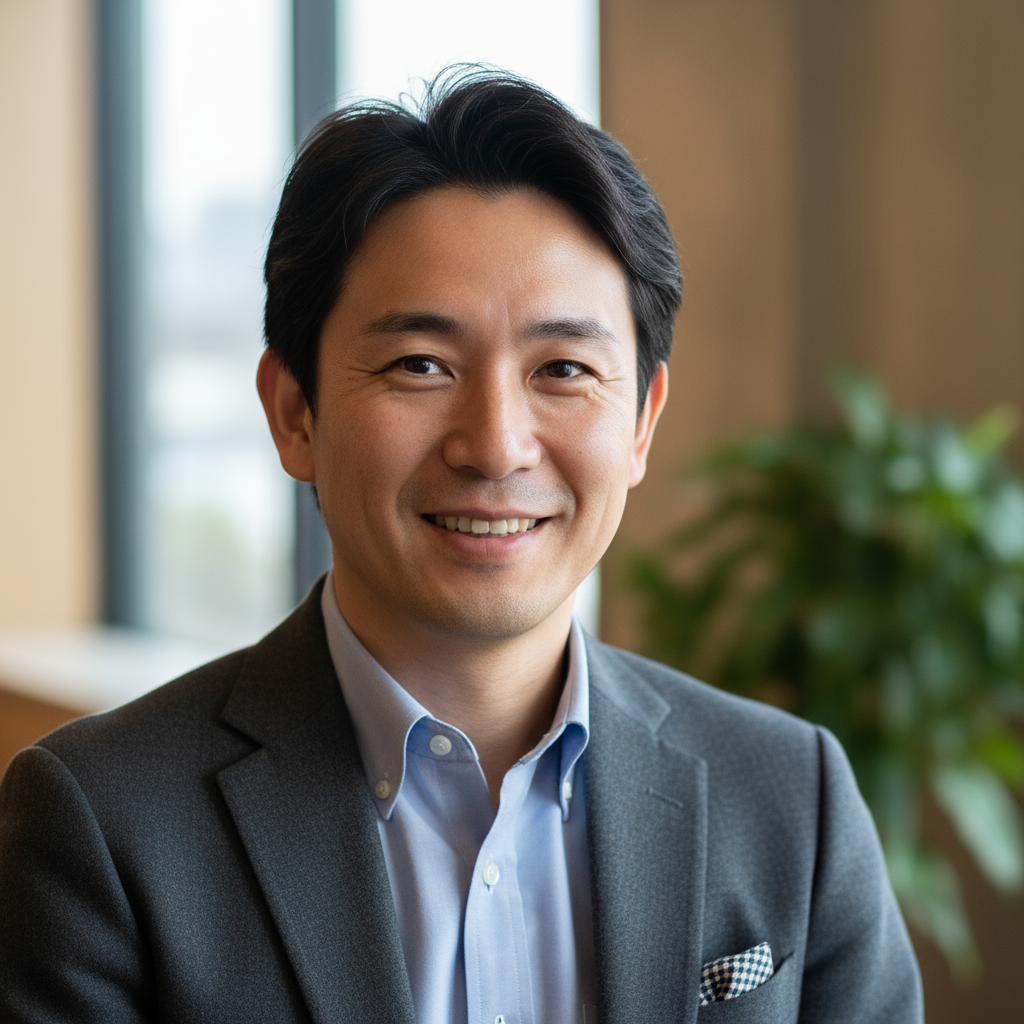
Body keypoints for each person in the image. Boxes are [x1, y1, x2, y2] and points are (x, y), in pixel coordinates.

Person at [0, 69, 922, 1023]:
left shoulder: (788, 799)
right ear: (293, 413)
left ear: (642, 423)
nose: (494, 445)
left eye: (563, 369)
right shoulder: (102, 824)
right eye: (420, 365)